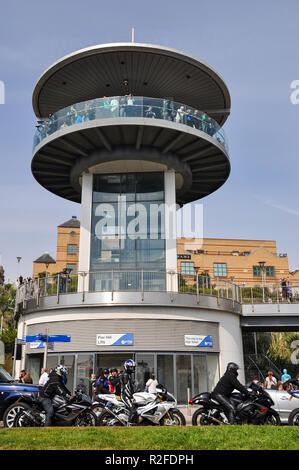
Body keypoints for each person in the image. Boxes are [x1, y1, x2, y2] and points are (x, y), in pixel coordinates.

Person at [120, 359, 138, 426]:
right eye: (131, 367)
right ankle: (129, 424)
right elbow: (126, 388)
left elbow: (131, 387)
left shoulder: (129, 375)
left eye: (133, 367)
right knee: (133, 410)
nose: (132, 368)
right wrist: (130, 396)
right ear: (126, 366)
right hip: (125, 395)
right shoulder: (125, 375)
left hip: (127, 395)